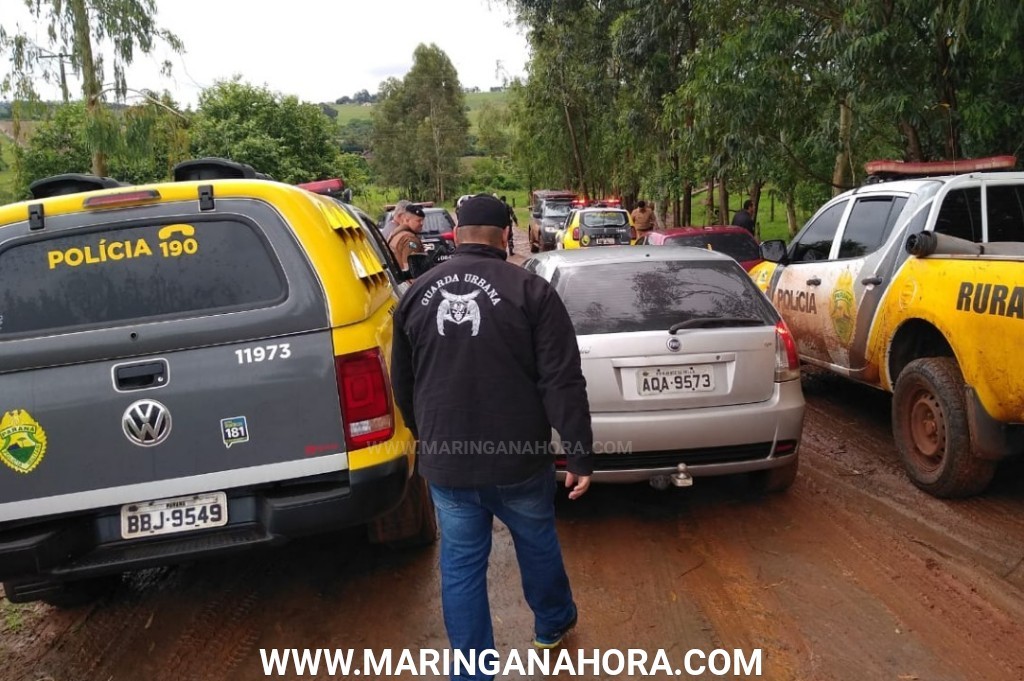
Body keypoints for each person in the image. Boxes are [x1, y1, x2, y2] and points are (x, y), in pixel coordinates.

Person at [390, 194, 593, 680]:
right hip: (518, 460)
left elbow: (403, 382)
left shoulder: (417, 293)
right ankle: (552, 624)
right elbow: (561, 381)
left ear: (457, 231)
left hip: (449, 463)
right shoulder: (531, 291)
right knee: (536, 541)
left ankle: (473, 672)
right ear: (507, 235)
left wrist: (427, 437)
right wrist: (580, 455)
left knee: (460, 567)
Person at [387, 202, 427, 276]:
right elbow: (411, 271)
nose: (421, 223)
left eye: (422, 220)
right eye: (418, 221)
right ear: (407, 220)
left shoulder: (396, 233)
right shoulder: (410, 239)